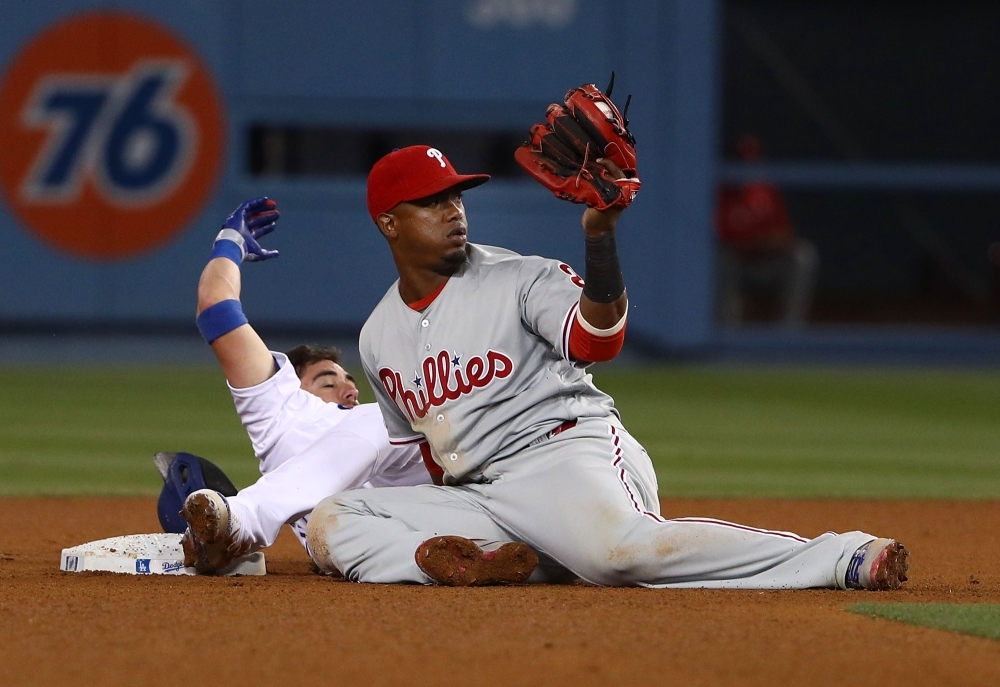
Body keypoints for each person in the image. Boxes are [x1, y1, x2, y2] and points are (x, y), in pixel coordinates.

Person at [303, 145, 909, 590]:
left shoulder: (520, 277)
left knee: (618, 555)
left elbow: (598, 338)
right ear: (389, 223)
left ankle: (838, 557)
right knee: (334, 519)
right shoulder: (378, 337)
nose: (454, 210)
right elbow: (424, 460)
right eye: (431, 202)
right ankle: (458, 564)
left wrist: (600, 238)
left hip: (565, 458)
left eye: (456, 195)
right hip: (481, 499)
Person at [181, 197, 431, 573]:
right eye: (327, 381)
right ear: (289, 387)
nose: (348, 390)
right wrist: (229, 242)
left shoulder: (375, 418)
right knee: (333, 530)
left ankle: (239, 522)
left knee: (385, 418)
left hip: (435, 485)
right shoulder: (281, 408)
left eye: (350, 381)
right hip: (359, 536)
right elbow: (216, 307)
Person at [716, 134, 818, 327]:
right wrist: (758, 240)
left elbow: (784, 234)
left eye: (751, 162)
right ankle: (729, 331)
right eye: (741, 163)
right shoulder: (718, 192)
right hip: (734, 265)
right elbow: (720, 238)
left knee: (804, 255)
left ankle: (789, 332)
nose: (747, 169)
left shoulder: (764, 189)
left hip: (765, 264)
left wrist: (773, 241)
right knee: (722, 259)